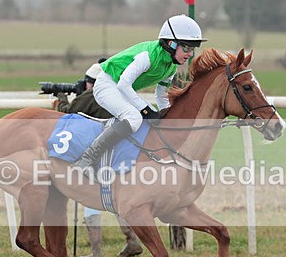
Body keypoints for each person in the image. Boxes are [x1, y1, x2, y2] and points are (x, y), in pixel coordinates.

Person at [73, 14, 206, 175]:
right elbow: (123, 84)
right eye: (187, 48)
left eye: (193, 49)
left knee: (147, 119)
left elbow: (162, 93)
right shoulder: (147, 56)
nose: (190, 54)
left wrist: (166, 113)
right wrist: (147, 110)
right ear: (171, 43)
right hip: (107, 85)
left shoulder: (171, 66)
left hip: (121, 88)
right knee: (135, 118)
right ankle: (86, 159)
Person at [54, 61, 143, 257]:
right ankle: (132, 241)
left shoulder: (92, 95)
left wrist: (60, 98)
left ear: (91, 82)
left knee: (90, 199)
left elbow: (68, 114)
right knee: (117, 198)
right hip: (123, 152)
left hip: (97, 155)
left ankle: (96, 252)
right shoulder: (119, 93)